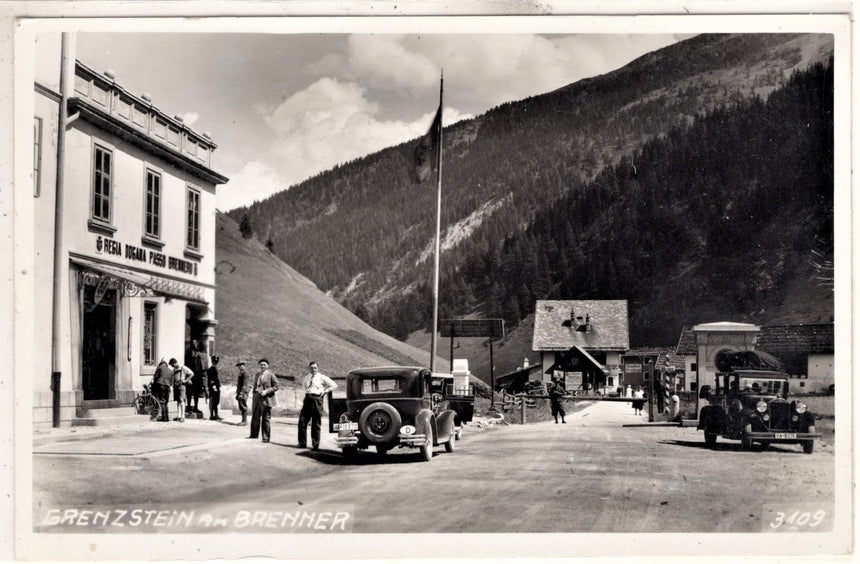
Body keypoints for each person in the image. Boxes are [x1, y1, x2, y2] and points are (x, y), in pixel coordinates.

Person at [298, 361, 338, 450]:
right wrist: (307, 392)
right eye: (311, 368)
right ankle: (302, 443)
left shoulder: (322, 377)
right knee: (302, 421)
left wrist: (324, 391)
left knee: (316, 422)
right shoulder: (307, 377)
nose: (313, 369)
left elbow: (334, 385)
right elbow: (304, 386)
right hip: (308, 399)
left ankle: (315, 445)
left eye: (315, 368)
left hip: (317, 399)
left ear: (318, 368)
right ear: (309, 368)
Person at [249, 359, 278, 442]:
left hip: (266, 399)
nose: (262, 366)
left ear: (267, 366)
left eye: (264, 365)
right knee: (255, 417)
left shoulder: (271, 375)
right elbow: (255, 385)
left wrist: (266, 391)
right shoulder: (257, 374)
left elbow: (276, 386)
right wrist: (254, 393)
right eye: (261, 365)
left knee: (266, 418)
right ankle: (254, 435)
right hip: (257, 397)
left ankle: (265, 437)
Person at [187, 341, 208, 416]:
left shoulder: (200, 354)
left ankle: (196, 407)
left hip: (198, 376)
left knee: (196, 393)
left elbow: (203, 367)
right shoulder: (189, 353)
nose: (195, 345)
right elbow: (187, 365)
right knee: (189, 392)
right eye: (194, 344)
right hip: (190, 375)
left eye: (196, 344)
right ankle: (189, 407)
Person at [169, 358, 193, 423]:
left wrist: (186, 380)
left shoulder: (183, 368)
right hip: (176, 386)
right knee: (178, 401)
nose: (172, 366)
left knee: (182, 400)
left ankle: (183, 416)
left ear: (175, 363)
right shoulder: (174, 370)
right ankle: (178, 416)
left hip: (182, 385)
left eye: (172, 365)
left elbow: (191, 374)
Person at [206, 356, 222, 420]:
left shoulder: (215, 368)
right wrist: (214, 387)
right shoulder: (210, 369)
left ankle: (216, 414)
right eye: (214, 362)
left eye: (216, 362)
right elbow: (211, 380)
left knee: (216, 401)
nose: (215, 363)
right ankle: (212, 415)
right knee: (213, 401)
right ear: (212, 361)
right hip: (213, 387)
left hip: (217, 387)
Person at [235, 360, 251, 425]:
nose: (240, 366)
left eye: (241, 365)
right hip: (241, 391)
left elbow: (244, 384)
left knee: (243, 405)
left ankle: (244, 421)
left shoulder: (245, 373)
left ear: (243, 365)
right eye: (239, 365)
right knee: (241, 406)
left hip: (243, 392)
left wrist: (241, 393)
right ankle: (243, 420)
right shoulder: (241, 372)